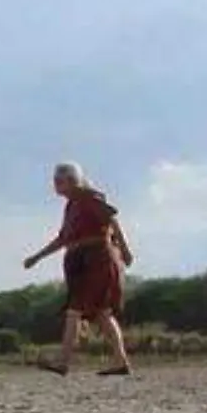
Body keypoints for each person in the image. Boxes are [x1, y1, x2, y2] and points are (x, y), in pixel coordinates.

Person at [22, 161, 134, 376]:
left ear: (72, 180)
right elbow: (63, 239)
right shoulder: (72, 206)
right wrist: (37, 257)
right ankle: (121, 362)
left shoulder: (89, 198)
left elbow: (112, 220)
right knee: (102, 314)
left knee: (74, 311)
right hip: (81, 260)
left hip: (97, 259)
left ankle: (62, 362)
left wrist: (126, 251)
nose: (55, 184)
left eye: (59, 180)